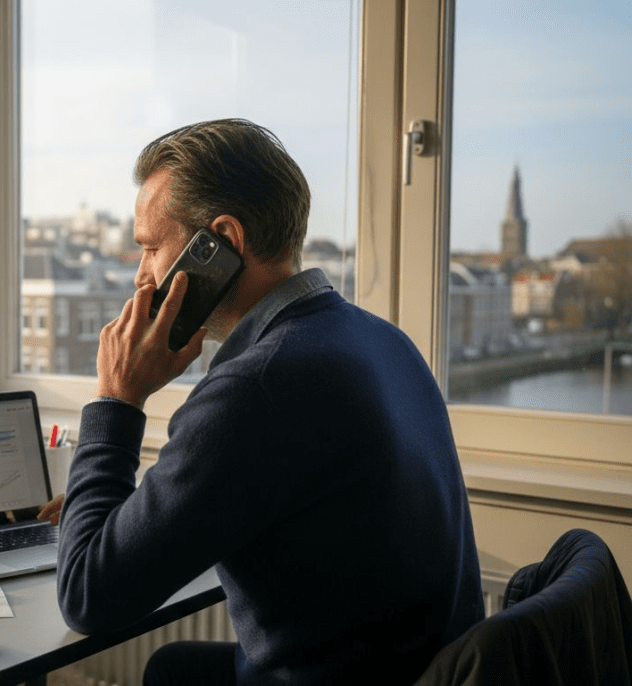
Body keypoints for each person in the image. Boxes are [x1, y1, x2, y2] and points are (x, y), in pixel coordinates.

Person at [38, 119, 484, 685]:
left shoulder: (259, 387)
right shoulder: (380, 340)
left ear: (220, 241)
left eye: (151, 247)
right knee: (172, 670)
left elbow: (86, 598)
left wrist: (117, 398)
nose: (141, 278)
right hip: (407, 672)